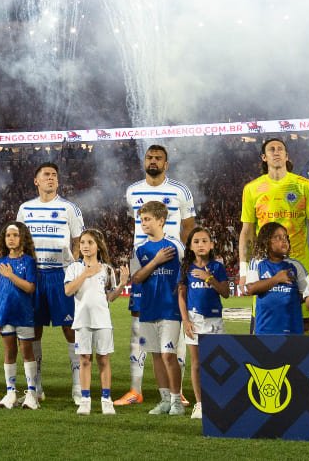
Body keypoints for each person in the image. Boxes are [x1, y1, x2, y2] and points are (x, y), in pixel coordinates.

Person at [118, 145, 196, 407]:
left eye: (158, 158)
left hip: (173, 261)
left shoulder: (180, 191)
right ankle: (135, 389)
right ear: (144, 161)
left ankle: (178, 391)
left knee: (175, 319)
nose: (153, 161)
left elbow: (188, 227)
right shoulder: (132, 191)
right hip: (142, 260)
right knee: (140, 324)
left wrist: (187, 261)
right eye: (150, 158)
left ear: (166, 163)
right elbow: (136, 225)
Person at [16, 162, 84, 403]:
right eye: (46, 174)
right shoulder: (25, 209)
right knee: (33, 330)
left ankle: (78, 387)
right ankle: (36, 385)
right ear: (36, 181)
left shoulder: (69, 208)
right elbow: (19, 241)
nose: (51, 178)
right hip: (34, 274)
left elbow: (78, 240)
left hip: (60, 275)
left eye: (54, 175)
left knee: (71, 329)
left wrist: (74, 267)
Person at [238, 139, 309, 331]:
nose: (276, 152)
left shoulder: (304, 185)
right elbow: (247, 232)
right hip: (265, 267)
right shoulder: (252, 188)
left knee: (305, 326)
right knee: (266, 323)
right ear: (264, 157)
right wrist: (244, 271)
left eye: (280, 149)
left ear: (286, 156)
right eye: (271, 149)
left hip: (301, 263)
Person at [130, 201, 185, 416]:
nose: (143, 223)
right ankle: (164, 400)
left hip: (170, 310)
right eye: (142, 219)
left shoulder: (176, 246)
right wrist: (155, 261)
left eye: (147, 219)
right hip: (148, 310)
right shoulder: (140, 249)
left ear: (161, 220)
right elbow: (136, 279)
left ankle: (176, 401)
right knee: (155, 355)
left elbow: (185, 273)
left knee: (168, 355)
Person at [65, 229, 128, 416]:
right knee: (84, 360)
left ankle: (106, 399)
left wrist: (122, 284)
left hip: (102, 321)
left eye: (90, 242)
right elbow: (68, 291)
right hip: (82, 321)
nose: (85, 246)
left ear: (98, 245)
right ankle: (85, 400)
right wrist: (85, 274)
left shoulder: (107, 270)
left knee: (103, 359)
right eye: (82, 242)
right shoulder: (74, 268)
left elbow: (110, 297)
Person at [176, 226, 230, 420]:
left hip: (214, 319)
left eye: (204, 241)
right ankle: (199, 404)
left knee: (217, 362)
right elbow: (181, 296)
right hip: (194, 320)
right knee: (197, 363)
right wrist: (185, 320)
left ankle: (217, 399)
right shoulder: (186, 269)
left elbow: (225, 292)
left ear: (211, 244)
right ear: (190, 247)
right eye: (196, 241)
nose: (200, 245)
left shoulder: (217, 267)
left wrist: (209, 278)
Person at [0, 221, 39, 410]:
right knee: (9, 352)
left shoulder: (28, 262)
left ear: (23, 238)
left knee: (27, 352)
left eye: (15, 235)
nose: (11, 238)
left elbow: (30, 287)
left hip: (24, 314)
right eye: (8, 235)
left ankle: (32, 393)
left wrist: (11, 276)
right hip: (5, 314)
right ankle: (11, 392)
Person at [244, 222, 306, 337]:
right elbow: (250, 288)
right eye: (278, 237)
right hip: (265, 330)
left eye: (285, 237)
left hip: (292, 330)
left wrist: (289, 297)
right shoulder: (257, 262)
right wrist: (276, 279)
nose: (284, 240)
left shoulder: (296, 265)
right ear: (266, 241)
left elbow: (306, 294)